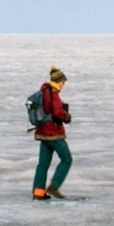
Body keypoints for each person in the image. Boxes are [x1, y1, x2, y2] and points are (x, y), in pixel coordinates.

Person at [32, 66, 73, 200]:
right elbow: (57, 112)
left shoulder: (43, 92)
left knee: (43, 164)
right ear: (59, 81)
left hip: (43, 132)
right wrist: (67, 116)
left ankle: (38, 192)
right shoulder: (53, 93)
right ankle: (54, 186)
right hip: (53, 133)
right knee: (67, 159)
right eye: (63, 81)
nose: (64, 84)